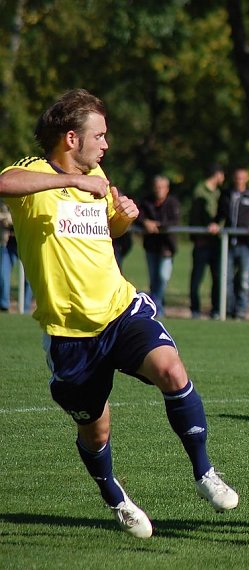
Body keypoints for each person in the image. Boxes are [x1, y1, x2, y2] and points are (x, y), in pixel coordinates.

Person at [0, 89, 237, 539]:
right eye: (100, 136)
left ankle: (205, 472)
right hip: (70, 334)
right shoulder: (36, 172)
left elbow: (106, 230)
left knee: (172, 370)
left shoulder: (97, 174)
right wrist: (72, 183)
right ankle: (115, 497)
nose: (106, 144)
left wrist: (124, 216)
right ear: (71, 138)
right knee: (96, 429)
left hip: (120, 309)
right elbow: (4, 182)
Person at [213, 167, 249, 320]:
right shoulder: (226, 194)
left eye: (242, 178)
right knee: (225, 278)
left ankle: (241, 311)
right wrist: (214, 223)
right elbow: (220, 214)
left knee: (244, 279)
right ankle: (227, 309)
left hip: (244, 243)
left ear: (246, 179)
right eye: (237, 178)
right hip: (228, 243)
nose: (239, 181)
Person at [139, 175, 181, 316]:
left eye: (162, 187)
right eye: (157, 187)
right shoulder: (147, 201)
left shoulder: (173, 203)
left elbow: (175, 220)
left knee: (163, 277)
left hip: (167, 247)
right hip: (151, 246)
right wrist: (145, 222)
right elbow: (137, 215)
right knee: (153, 279)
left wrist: (159, 226)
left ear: (167, 189)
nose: (159, 190)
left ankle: (156, 306)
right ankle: (158, 309)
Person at [188, 163, 224, 319]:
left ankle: (216, 309)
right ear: (217, 174)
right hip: (202, 241)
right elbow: (195, 216)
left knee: (217, 277)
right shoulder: (200, 191)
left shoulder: (219, 192)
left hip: (216, 242)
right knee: (197, 277)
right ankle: (195, 309)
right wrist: (197, 237)